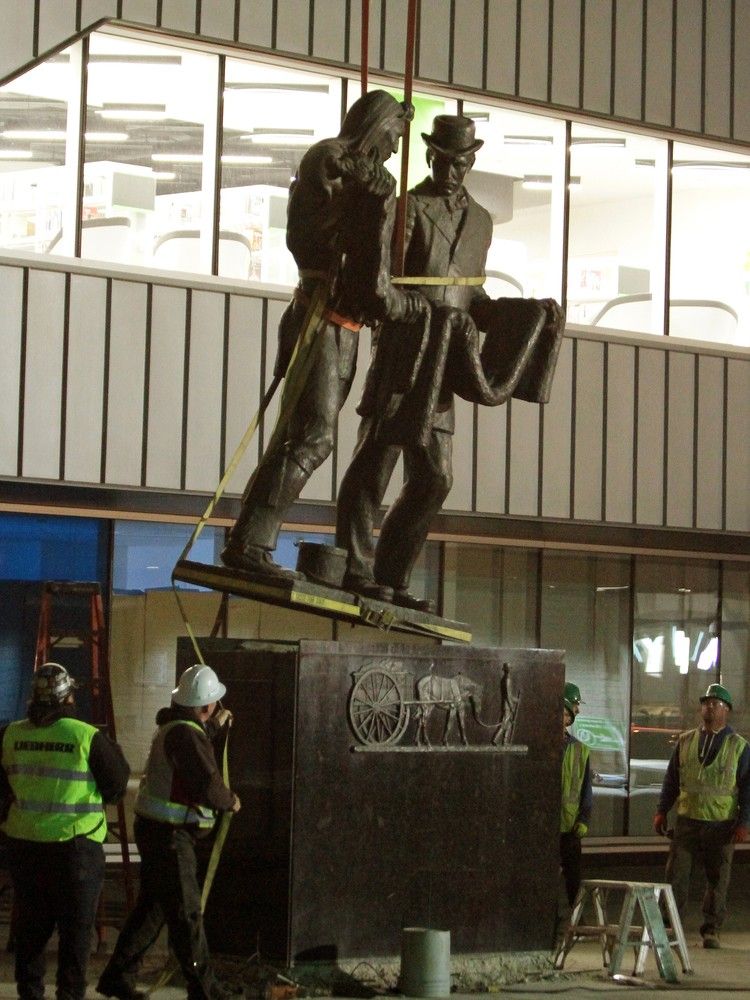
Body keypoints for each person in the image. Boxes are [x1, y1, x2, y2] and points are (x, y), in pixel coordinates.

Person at [335, 113, 564, 612]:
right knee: (375, 461)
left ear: (471, 160)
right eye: (440, 159)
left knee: (436, 477)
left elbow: (471, 295)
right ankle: (354, 567)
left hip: (444, 359)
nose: (449, 169)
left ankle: (390, 575)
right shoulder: (407, 207)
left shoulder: (481, 221)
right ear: (429, 154)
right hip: (403, 349)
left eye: (458, 161)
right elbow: (381, 278)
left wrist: (521, 313)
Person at [221, 89, 424, 582]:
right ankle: (250, 544)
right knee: (311, 438)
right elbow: (316, 231)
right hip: (320, 315)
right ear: (378, 125)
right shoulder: (332, 157)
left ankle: (250, 540)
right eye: (395, 135)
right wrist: (369, 197)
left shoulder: (372, 178)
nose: (396, 149)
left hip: (344, 327)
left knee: (302, 435)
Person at [96, 665, 240, 1000]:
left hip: (158, 833)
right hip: (171, 838)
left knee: (153, 909)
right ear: (205, 705)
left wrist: (214, 729)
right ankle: (203, 989)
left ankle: (117, 977)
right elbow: (206, 781)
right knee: (187, 914)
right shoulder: (185, 735)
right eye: (214, 704)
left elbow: (195, 749)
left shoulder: (177, 729)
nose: (216, 709)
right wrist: (230, 802)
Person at [0, 662, 130, 1000]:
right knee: (75, 934)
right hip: (76, 851)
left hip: (24, 848)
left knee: (30, 929)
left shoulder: (11, 734)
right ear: (67, 697)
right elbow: (116, 787)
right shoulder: (85, 735)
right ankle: (69, 996)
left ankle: (30, 993)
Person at [653, 682, 750, 949]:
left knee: (718, 879)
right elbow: (671, 780)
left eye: (715, 703)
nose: (709, 707)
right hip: (688, 821)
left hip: (721, 824)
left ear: (726, 710)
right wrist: (662, 811)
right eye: (706, 703)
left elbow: (747, 789)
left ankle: (711, 929)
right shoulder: (686, 741)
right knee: (676, 875)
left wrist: (744, 823)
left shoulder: (738, 747)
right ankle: (670, 925)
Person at [560, 697, 592, 912]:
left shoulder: (580, 750)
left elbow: (585, 789)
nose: (574, 712)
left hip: (569, 827)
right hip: (546, 826)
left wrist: (583, 820)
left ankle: (577, 919)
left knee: (573, 878)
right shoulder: (541, 744)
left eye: (568, 714)